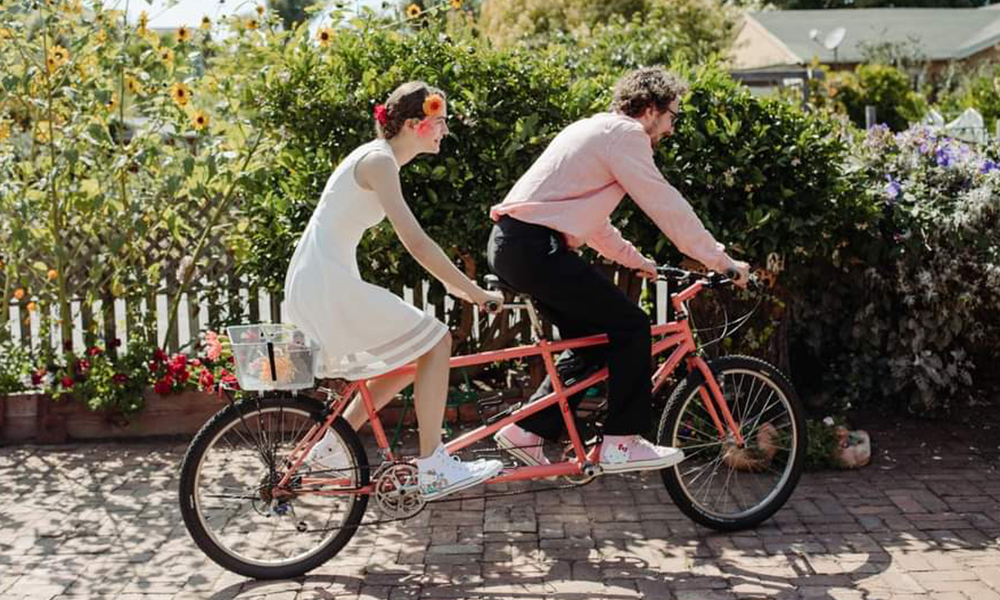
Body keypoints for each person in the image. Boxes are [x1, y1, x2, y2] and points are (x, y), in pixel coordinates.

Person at [487, 67, 750, 473]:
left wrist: (638, 262)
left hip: (517, 245)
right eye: (672, 117)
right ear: (649, 109)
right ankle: (621, 442)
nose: (672, 129)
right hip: (535, 247)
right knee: (632, 326)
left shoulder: (597, 131)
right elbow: (666, 203)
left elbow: (593, 223)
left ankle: (528, 430)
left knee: (592, 343)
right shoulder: (627, 136)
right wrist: (721, 259)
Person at [284, 81, 504, 499]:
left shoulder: (380, 160)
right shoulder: (378, 162)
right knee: (437, 341)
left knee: (406, 361)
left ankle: (332, 447)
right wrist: (471, 289)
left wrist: (454, 284)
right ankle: (433, 465)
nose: (444, 130)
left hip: (324, 278)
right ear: (413, 124)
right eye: (439, 122)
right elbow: (415, 241)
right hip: (327, 282)